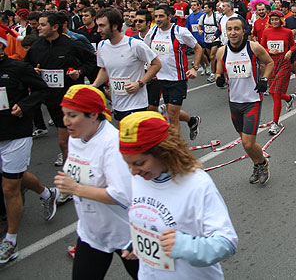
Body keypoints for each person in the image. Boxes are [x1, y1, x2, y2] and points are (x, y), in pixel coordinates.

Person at [118, 111, 238, 278]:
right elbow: (150, 220)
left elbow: (227, 243)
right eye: (128, 164)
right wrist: (138, 242)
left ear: (164, 152)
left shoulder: (197, 184)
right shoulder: (141, 177)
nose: (132, 172)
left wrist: (184, 246)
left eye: (139, 163)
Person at [53, 85, 138, 279]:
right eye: (64, 114)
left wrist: (76, 188)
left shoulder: (112, 144)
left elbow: (121, 195)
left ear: (93, 114)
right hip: (92, 233)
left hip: (127, 235)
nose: (66, 122)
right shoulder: (77, 136)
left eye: (72, 116)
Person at [0, 28, 59, 264]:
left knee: (9, 187)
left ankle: (11, 242)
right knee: (15, 176)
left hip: (16, 134)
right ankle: (47, 194)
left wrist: (25, 105)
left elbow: (42, 89)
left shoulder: (18, 68)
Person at [24, 12, 96, 171]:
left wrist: (79, 72)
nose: (38, 28)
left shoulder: (72, 45)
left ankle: (75, 177)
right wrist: (33, 71)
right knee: (68, 141)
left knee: (66, 141)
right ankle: (76, 172)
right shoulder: (36, 47)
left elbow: (91, 61)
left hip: (71, 100)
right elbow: (26, 66)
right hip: (51, 100)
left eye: (43, 25)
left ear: (55, 27)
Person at [215, 16, 274, 184]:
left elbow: (269, 63)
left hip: (252, 100)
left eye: (236, 29)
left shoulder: (253, 48)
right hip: (234, 102)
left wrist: (264, 80)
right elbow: (219, 72)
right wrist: (219, 77)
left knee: (248, 143)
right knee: (244, 141)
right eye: (229, 29)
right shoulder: (222, 51)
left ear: (243, 31)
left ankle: (262, 163)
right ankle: (257, 164)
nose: (233, 33)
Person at [92, 8, 161, 123]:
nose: (98, 30)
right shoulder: (102, 45)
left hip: (136, 104)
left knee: (135, 140)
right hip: (117, 103)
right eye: (98, 26)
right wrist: (94, 85)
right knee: (123, 138)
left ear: (114, 26)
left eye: (102, 26)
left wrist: (140, 83)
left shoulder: (134, 45)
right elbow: (104, 69)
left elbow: (156, 64)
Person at [144, 5, 203, 139]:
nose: (157, 19)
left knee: (172, 114)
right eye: (156, 16)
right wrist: (149, 68)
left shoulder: (180, 32)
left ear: (169, 17)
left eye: (161, 16)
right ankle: (192, 121)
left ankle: (176, 149)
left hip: (177, 79)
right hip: (159, 78)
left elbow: (198, 48)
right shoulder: (152, 31)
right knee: (168, 110)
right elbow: (146, 51)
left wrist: (195, 68)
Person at [261, 10, 296, 134]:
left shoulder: (287, 32)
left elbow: (293, 46)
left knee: (275, 93)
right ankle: (288, 98)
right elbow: (262, 47)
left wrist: (290, 52)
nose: (275, 22)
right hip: (271, 63)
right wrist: (269, 50)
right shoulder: (266, 32)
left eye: (277, 19)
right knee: (273, 92)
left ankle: (275, 123)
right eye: (272, 19)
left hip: (284, 63)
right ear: (270, 20)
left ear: (281, 20)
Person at [185, 0, 210, 76]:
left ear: (198, 6)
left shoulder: (203, 15)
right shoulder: (189, 17)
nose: (193, 7)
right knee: (198, 55)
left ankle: (208, 65)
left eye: (195, 5)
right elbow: (187, 28)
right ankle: (203, 67)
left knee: (201, 54)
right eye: (191, 5)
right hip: (194, 39)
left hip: (202, 38)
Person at [199, 1, 221, 83]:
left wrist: (217, 35)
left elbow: (221, 26)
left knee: (212, 56)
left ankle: (213, 73)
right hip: (206, 38)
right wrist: (200, 30)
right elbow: (199, 25)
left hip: (215, 38)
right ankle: (216, 68)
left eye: (205, 7)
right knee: (210, 56)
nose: (204, 9)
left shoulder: (217, 16)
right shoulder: (203, 17)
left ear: (210, 8)